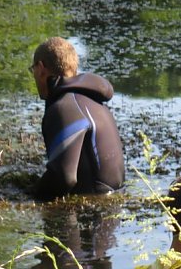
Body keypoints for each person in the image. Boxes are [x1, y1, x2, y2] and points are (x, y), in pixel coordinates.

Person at [30, 37, 125, 200]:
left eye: (32, 70)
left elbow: (63, 178)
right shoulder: (92, 101)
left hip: (92, 214)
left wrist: (30, 195)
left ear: (40, 69)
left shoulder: (64, 108)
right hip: (114, 208)